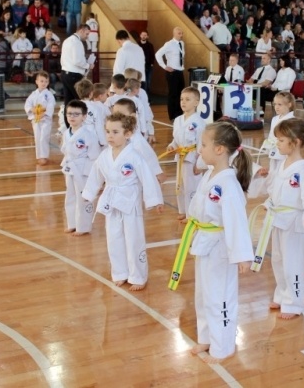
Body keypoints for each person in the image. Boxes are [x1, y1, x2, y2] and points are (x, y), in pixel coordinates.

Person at [183, 122, 254, 363]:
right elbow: (202, 205)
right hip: (205, 241)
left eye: (203, 145)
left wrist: (243, 255)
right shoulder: (210, 175)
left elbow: (236, 221)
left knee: (220, 297)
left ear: (220, 149)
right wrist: (193, 219)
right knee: (203, 295)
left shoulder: (228, 183)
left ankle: (223, 345)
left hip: (221, 247)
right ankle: (207, 337)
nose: (199, 149)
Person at [82, 113, 164, 291]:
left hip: (130, 200)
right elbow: (96, 175)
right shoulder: (104, 156)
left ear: (127, 134)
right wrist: (88, 194)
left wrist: (155, 200)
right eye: (107, 131)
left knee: (134, 238)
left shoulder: (134, 155)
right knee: (113, 237)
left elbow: (147, 178)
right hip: (111, 199)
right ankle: (120, 273)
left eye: (115, 132)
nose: (110, 136)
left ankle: (138, 276)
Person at [250, 118, 304, 319]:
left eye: (281, 140)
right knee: (279, 261)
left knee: (293, 263)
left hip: (295, 222)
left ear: (295, 142)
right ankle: (282, 295)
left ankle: (294, 303)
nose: (277, 144)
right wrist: (263, 176)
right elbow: (272, 187)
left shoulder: (303, 170)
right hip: (278, 219)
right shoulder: (282, 165)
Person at [60, 99, 99, 235]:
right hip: (70, 167)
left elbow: (94, 155)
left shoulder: (89, 134)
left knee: (83, 198)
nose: (72, 117)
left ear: (84, 116)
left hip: (83, 170)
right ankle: (72, 223)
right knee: (70, 196)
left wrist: (90, 173)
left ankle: (83, 227)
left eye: (76, 114)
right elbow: (65, 150)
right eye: (69, 114)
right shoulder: (66, 133)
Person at [167, 87, 206, 222]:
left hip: (192, 158)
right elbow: (176, 138)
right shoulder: (178, 120)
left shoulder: (199, 122)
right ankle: (183, 210)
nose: (183, 102)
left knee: (192, 187)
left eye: (188, 100)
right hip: (180, 156)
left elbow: (202, 144)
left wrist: (200, 164)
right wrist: (172, 145)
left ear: (196, 102)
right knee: (181, 185)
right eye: (182, 99)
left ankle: (192, 215)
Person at [24, 71, 56, 166]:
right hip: (36, 119)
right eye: (41, 81)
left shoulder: (49, 94)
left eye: (46, 81)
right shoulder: (33, 94)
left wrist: (45, 113)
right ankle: (39, 157)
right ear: (36, 82)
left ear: (48, 82)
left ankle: (44, 156)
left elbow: (51, 106)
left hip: (46, 119)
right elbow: (27, 104)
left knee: (44, 138)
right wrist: (31, 109)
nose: (44, 83)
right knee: (38, 138)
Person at [155, 26, 186, 121]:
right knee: (173, 94)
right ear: (174, 34)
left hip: (180, 71)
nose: (181, 35)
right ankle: (173, 115)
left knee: (181, 93)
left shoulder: (182, 43)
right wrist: (164, 67)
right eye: (179, 33)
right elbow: (158, 54)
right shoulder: (169, 44)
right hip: (172, 72)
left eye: (181, 33)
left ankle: (180, 113)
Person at [260, 91, 296, 173]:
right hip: (274, 150)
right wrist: (267, 145)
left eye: (280, 104)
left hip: (284, 153)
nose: (276, 107)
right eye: (275, 104)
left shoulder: (291, 120)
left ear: (289, 105)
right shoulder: (275, 119)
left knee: (282, 171)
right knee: (273, 172)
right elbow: (271, 135)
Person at [60, 24, 90, 109]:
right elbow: (77, 61)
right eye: (86, 34)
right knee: (81, 100)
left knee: (68, 101)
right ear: (81, 30)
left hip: (65, 72)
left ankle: (68, 122)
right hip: (73, 75)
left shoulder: (67, 40)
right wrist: (88, 65)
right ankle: (81, 121)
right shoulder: (77, 42)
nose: (87, 37)